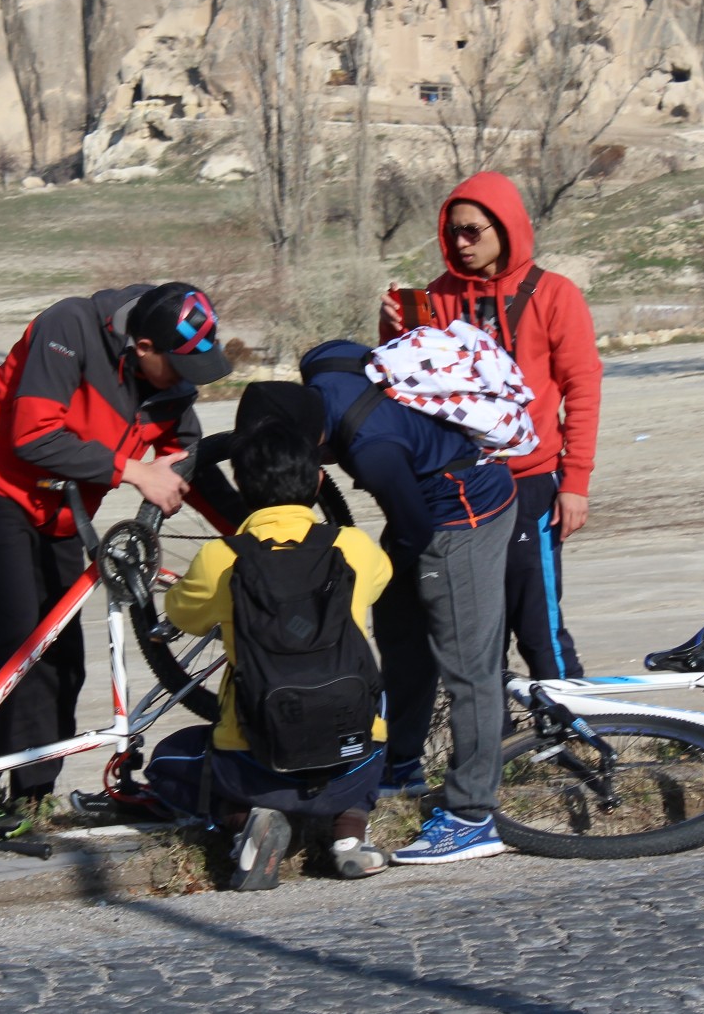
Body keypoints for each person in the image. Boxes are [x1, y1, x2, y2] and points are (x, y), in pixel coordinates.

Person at [0, 282, 229, 829]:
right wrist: (135, 471)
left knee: (62, 651)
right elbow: (34, 435)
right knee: (11, 639)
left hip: (62, 508)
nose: (191, 380)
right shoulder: (69, 327)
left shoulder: (168, 381)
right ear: (144, 347)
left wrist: (247, 533)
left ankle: (30, 795)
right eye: (183, 366)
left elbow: (187, 461)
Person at [276, 348, 518, 865]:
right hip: (423, 509)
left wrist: (376, 571)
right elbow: (335, 351)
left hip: (464, 518)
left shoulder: (372, 449)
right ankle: (402, 763)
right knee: (399, 635)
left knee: (467, 667)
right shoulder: (324, 378)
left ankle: (472, 816)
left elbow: (416, 532)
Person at [153, 403, 392, 889]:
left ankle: (245, 821)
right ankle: (349, 835)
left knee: (167, 760)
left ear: (242, 487)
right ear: (318, 484)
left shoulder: (220, 557)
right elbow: (380, 582)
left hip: (256, 762)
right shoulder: (354, 546)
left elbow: (181, 614)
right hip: (352, 758)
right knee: (373, 712)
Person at [381, 171, 603, 683]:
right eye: (453, 232)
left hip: (530, 483)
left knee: (538, 626)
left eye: (473, 231)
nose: (460, 244)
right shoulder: (436, 297)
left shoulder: (555, 295)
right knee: (475, 632)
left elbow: (583, 390)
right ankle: (496, 752)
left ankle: (585, 741)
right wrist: (391, 331)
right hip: (461, 487)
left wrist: (575, 485)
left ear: (505, 227)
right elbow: (415, 388)